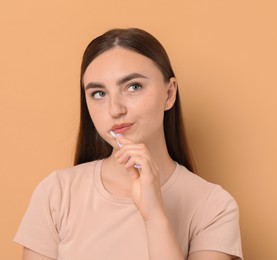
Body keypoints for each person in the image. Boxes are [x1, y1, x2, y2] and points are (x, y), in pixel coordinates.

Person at [14, 28, 243, 260]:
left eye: (133, 87)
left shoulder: (213, 207)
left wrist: (154, 215)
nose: (115, 109)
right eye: (99, 93)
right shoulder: (57, 192)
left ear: (169, 93)